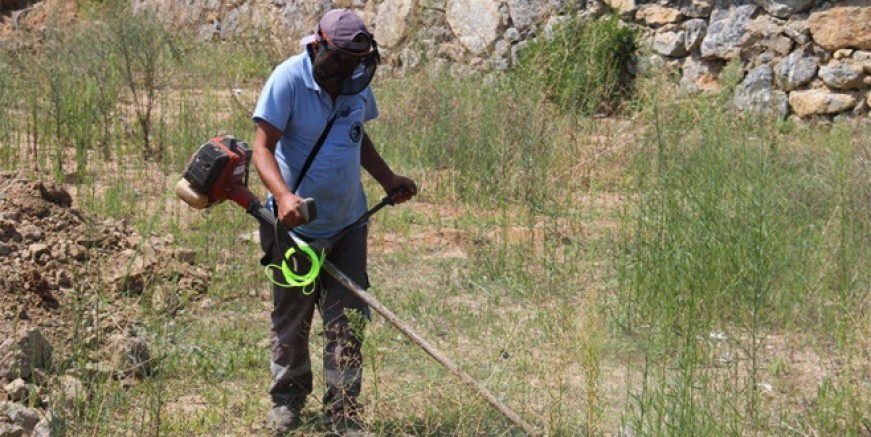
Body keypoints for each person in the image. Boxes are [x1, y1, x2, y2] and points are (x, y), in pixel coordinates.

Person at [251, 8, 417, 436]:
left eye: (354, 64)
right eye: (339, 61)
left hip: (348, 224)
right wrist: (284, 197)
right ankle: (287, 402)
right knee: (292, 319)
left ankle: (343, 411)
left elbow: (356, 135)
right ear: (320, 45)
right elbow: (262, 148)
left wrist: (388, 179)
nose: (346, 72)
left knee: (348, 323)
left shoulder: (357, 82)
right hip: (294, 230)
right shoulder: (288, 78)